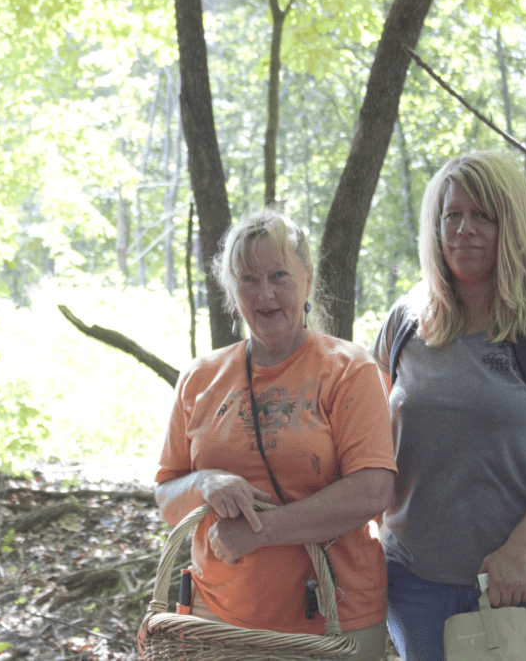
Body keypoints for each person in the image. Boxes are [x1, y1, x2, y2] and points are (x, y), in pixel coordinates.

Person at [370, 151, 526, 661]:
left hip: (523, 590)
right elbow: (367, 443)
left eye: (483, 216)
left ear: (514, 226)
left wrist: (520, 549)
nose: (463, 230)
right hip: (415, 586)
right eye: (451, 215)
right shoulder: (405, 323)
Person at [155, 210, 398, 660]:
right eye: (248, 279)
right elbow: (168, 496)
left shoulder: (349, 370)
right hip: (218, 618)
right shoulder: (200, 378)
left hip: (334, 617)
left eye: (279, 276)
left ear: (306, 280)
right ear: (231, 289)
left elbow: (372, 491)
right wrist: (203, 482)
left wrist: (261, 531)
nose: (265, 294)